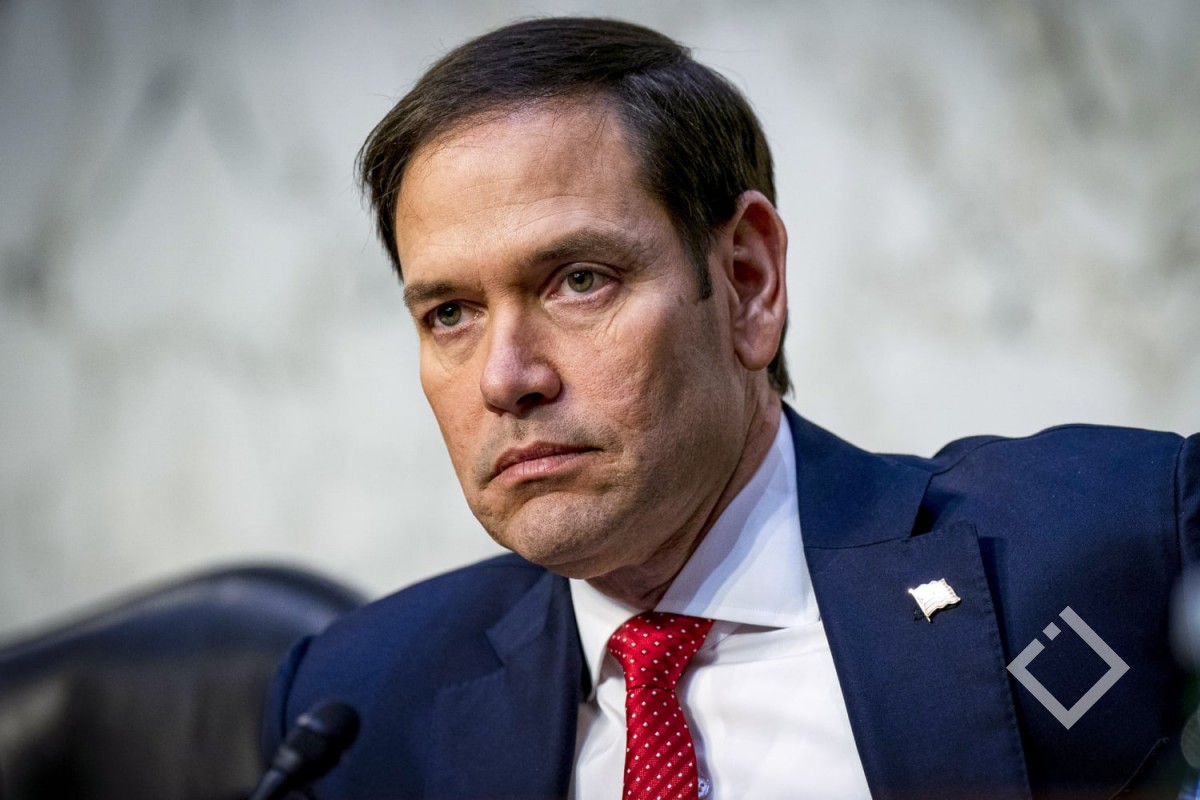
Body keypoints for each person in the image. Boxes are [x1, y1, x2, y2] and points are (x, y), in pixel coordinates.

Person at [262, 16, 1200, 800]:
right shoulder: (361, 708)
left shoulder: (1117, 543)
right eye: (450, 314)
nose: (506, 378)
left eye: (579, 280)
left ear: (748, 283)